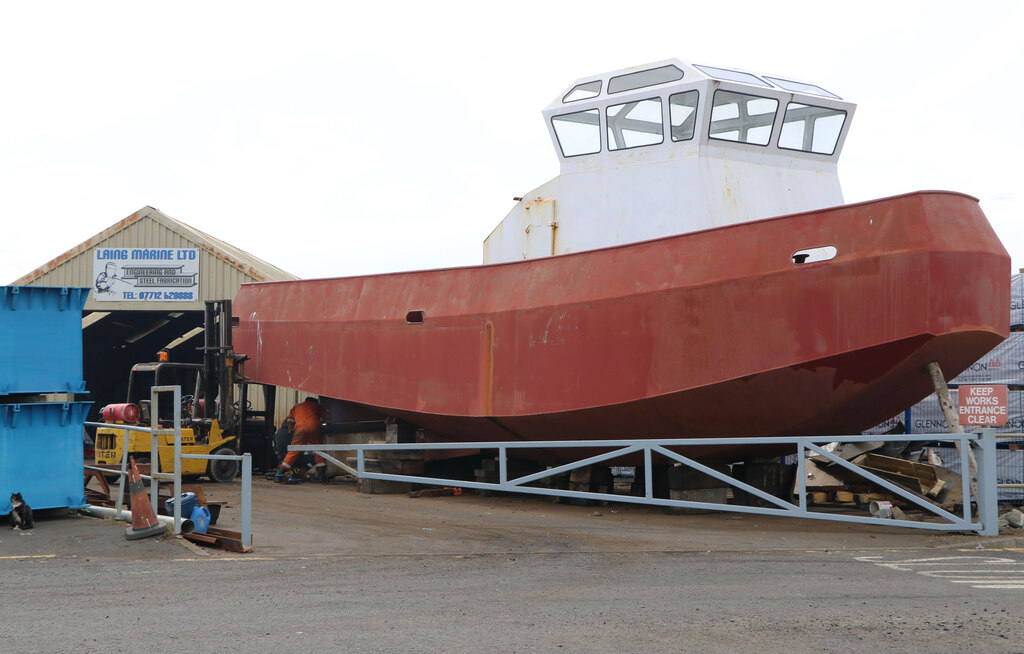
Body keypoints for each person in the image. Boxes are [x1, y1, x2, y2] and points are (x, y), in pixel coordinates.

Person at [274, 397, 329, 482]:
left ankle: (278, 475)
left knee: (293, 451)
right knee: (319, 451)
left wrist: (292, 430)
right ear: (315, 402)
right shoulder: (317, 406)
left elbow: (290, 420)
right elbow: (328, 417)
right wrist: (322, 423)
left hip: (300, 429)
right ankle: (322, 478)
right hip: (315, 428)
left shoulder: (297, 407)